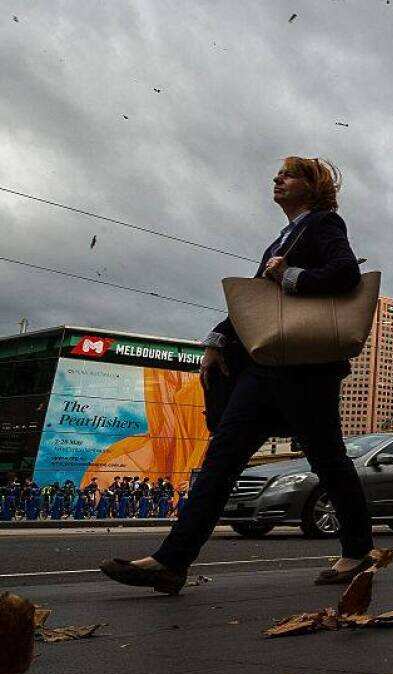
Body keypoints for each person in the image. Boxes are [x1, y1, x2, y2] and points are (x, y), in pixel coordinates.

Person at [100, 156, 374, 595]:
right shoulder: (281, 238)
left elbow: (345, 274)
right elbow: (256, 305)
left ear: (313, 185)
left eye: (287, 175)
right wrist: (216, 342)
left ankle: (358, 552)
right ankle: (171, 562)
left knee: (328, 460)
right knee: (220, 461)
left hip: (305, 373)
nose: (276, 179)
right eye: (277, 174)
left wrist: (291, 274)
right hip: (262, 370)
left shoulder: (324, 224)